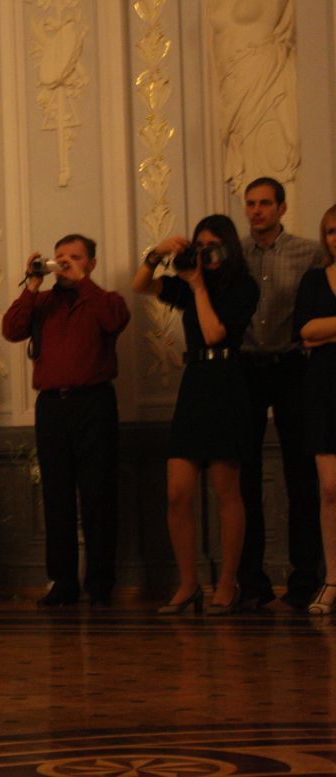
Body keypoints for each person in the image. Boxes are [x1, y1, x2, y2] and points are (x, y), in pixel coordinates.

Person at [132, 215, 259, 616]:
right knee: (177, 493)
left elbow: (215, 334)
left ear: (229, 248)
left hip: (228, 384)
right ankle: (188, 584)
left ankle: (227, 583)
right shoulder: (188, 283)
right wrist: (157, 253)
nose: (205, 254)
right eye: (199, 247)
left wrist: (199, 286)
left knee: (226, 491)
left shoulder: (243, 287)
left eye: (212, 246)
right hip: (195, 385)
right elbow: (140, 285)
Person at [1, 234, 130, 607]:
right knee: (56, 497)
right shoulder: (42, 303)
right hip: (52, 407)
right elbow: (11, 330)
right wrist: (31, 285)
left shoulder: (105, 300)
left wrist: (83, 283)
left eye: (74, 257)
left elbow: (114, 320)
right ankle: (62, 582)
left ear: (91, 264)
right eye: (60, 257)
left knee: (98, 496)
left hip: (95, 404)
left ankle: (100, 583)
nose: (65, 263)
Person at [237, 177, 326, 610]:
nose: (256, 211)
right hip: (246, 368)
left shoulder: (309, 252)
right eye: (250, 203)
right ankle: (251, 583)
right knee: (245, 477)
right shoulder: (234, 254)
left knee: (302, 476)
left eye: (264, 203)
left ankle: (305, 580)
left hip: (293, 366)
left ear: (282, 208)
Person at [293, 204, 336, 614]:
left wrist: (327, 330)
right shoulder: (313, 279)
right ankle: (332, 579)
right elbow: (305, 331)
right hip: (324, 389)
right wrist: (318, 334)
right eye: (331, 231)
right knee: (330, 488)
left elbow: (320, 331)